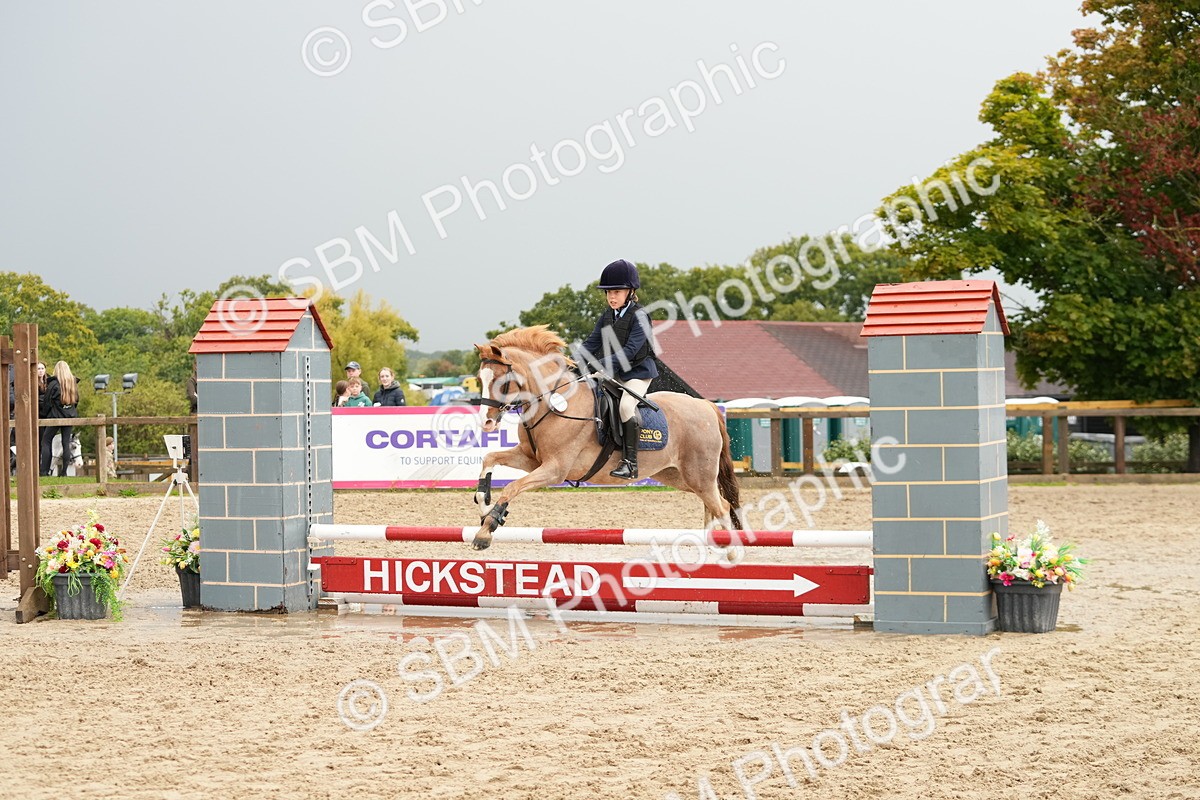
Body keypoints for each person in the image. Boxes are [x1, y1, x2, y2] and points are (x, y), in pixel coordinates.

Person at [578, 258, 659, 480]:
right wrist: (573, 360)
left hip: (638, 373)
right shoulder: (607, 316)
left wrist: (602, 364)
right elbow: (591, 343)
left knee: (625, 407)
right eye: (608, 292)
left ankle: (630, 463)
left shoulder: (640, 316)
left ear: (630, 292)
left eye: (617, 292)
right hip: (616, 374)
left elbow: (631, 350)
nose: (611, 297)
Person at [40, 360, 79, 477]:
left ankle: (44, 471)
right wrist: (70, 410)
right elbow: (76, 400)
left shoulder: (53, 384)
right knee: (65, 443)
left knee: (46, 441)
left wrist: (45, 414)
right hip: (69, 416)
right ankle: (64, 472)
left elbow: (47, 402)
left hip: (55, 416)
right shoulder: (73, 383)